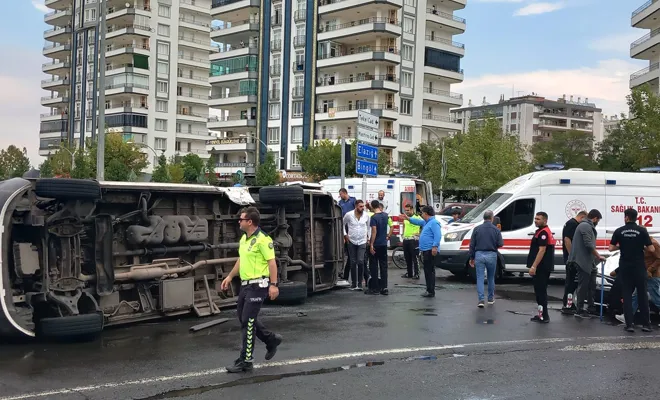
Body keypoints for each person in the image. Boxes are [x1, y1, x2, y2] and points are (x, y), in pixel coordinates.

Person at [221, 207, 282, 373]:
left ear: (250, 222)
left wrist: (274, 285)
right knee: (243, 318)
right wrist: (230, 276)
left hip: (258, 285)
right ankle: (271, 340)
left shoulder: (263, 239)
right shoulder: (244, 239)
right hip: (246, 284)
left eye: (241, 219)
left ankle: (246, 360)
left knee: (247, 321)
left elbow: (272, 263)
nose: (238, 222)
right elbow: (241, 260)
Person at [609, 208, 655, 332]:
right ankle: (646, 325)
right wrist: (641, 246)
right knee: (642, 295)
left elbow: (610, 248)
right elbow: (652, 250)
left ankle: (629, 324)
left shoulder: (619, 231)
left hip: (625, 267)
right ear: (636, 217)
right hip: (639, 267)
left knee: (627, 295)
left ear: (627, 217)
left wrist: (622, 245)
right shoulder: (642, 231)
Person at [567, 209, 605, 319]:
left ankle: (591, 307)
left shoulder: (587, 226)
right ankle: (579, 309)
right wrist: (598, 256)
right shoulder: (585, 226)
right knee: (583, 285)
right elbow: (588, 244)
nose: (598, 223)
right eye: (598, 220)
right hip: (582, 260)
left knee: (591, 285)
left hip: (589, 260)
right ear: (595, 218)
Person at [614, 236, 660, 325]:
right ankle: (627, 316)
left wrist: (649, 270)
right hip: (645, 275)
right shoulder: (643, 244)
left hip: (652, 276)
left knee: (656, 298)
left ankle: (627, 316)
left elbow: (659, 259)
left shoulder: (653, 244)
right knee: (636, 296)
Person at [401, 206, 441, 298]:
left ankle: (430, 291)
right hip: (426, 250)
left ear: (426, 213)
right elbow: (417, 221)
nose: (421, 215)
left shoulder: (434, 223)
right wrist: (408, 218)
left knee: (429, 271)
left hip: (430, 250)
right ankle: (429, 289)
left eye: (422, 213)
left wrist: (435, 246)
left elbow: (437, 236)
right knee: (427, 270)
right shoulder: (427, 222)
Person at [469, 210, 503, 308]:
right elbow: (500, 243)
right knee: (491, 277)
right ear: (492, 218)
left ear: (483, 218)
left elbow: (472, 245)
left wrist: (472, 257)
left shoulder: (477, 229)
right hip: (492, 254)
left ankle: (481, 300)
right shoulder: (496, 230)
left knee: (480, 277)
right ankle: (491, 299)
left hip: (479, 254)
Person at [527, 212, 556, 323]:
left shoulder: (543, 233)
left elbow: (542, 250)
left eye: (538, 219)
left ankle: (544, 316)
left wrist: (534, 266)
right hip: (542, 266)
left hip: (542, 267)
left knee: (541, 291)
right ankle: (541, 314)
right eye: (535, 218)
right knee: (539, 291)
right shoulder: (541, 231)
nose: (536, 220)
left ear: (545, 220)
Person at [561, 210, 587, 314]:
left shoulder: (571, 223)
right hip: (571, 259)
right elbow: (567, 240)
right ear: (582, 217)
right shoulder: (572, 224)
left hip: (571, 258)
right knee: (571, 282)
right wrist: (572, 256)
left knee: (572, 282)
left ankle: (569, 303)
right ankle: (568, 304)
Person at [343, 200, 370, 291]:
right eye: (360, 206)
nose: (362, 208)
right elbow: (342, 224)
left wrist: (368, 238)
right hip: (351, 241)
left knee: (361, 261)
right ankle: (354, 284)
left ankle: (360, 283)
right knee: (353, 262)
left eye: (363, 206)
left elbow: (369, 227)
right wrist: (345, 235)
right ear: (356, 206)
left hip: (362, 241)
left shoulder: (366, 215)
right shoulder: (349, 215)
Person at [366, 200, 391, 295]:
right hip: (384, 244)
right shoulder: (385, 215)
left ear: (372, 206)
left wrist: (371, 244)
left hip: (376, 244)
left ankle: (375, 288)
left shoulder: (373, 218)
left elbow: (374, 231)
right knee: (384, 266)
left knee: (374, 266)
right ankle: (384, 287)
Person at [338, 188, 357, 284]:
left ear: (345, 193)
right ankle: (342, 273)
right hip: (343, 229)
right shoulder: (340, 203)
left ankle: (348, 276)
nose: (340, 196)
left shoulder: (353, 200)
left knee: (352, 256)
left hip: (351, 229)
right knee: (345, 253)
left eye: (341, 194)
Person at [401, 203, 421, 279]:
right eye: (405, 210)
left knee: (415, 257)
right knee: (407, 258)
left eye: (408, 210)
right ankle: (409, 273)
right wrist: (403, 234)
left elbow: (424, 225)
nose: (406, 212)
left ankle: (417, 273)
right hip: (406, 239)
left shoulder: (417, 217)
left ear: (412, 209)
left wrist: (419, 233)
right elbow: (404, 225)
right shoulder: (405, 218)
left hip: (414, 239)